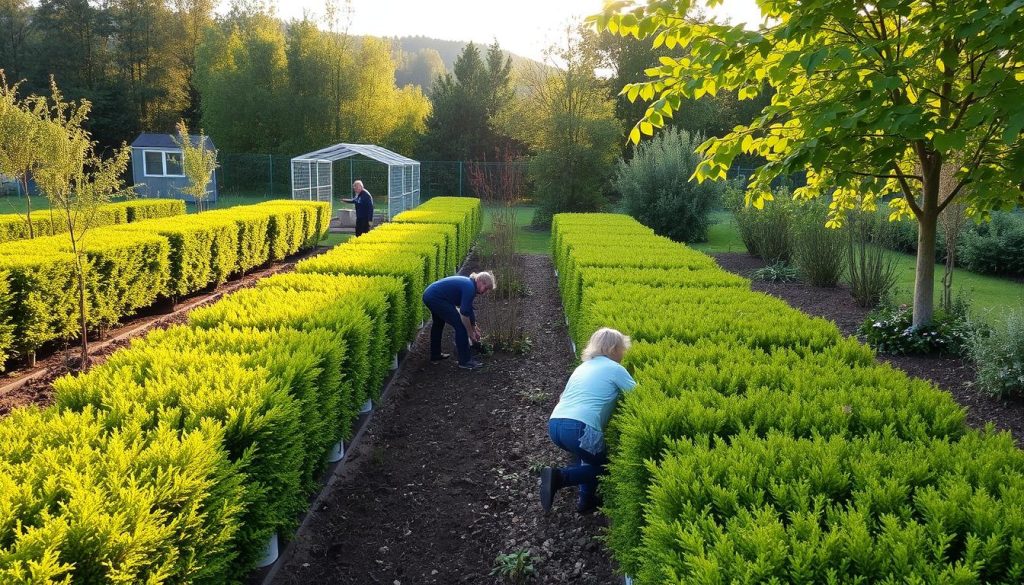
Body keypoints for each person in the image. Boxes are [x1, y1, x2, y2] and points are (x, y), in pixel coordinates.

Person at [540, 327, 636, 514]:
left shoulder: (582, 367)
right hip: (579, 428)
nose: (623, 353)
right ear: (614, 349)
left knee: (589, 460)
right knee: (609, 468)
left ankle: (586, 502)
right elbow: (639, 395)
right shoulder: (615, 368)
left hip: (556, 425)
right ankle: (560, 477)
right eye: (622, 349)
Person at [421, 271, 496, 370]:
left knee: (438, 324)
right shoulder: (470, 288)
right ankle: (465, 361)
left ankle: (436, 355)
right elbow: (464, 312)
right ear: (479, 280)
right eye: (485, 288)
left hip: (430, 295)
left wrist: (474, 327)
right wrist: (470, 333)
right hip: (436, 298)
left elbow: (468, 308)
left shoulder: (469, 284)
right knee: (461, 326)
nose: (485, 292)